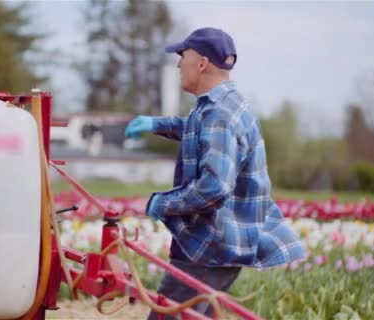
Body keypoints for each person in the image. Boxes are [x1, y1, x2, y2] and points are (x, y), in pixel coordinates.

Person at [124, 27, 305, 319]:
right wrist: (157, 124)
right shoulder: (222, 105)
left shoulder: (219, 113)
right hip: (217, 242)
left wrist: (163, 204)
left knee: (168, 316)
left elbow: (213, 187)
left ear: (201, 63)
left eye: (182, 57)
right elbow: (199, 131)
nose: (178, 65)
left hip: (210, 245)